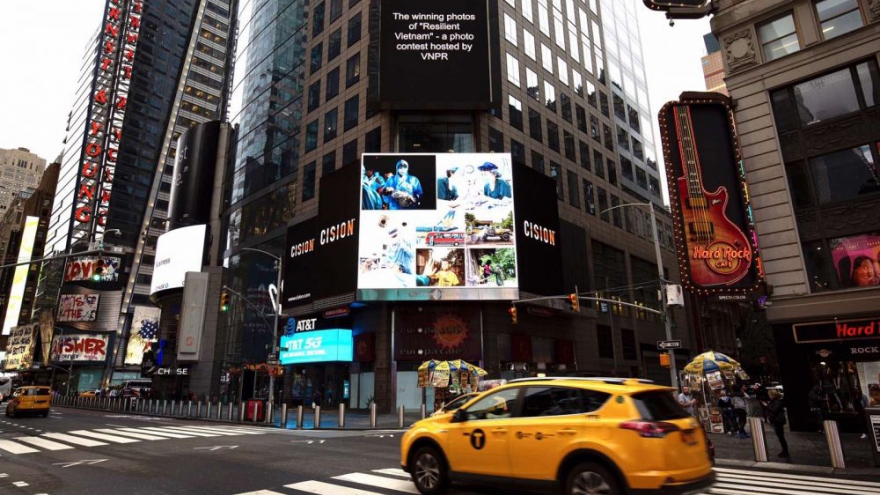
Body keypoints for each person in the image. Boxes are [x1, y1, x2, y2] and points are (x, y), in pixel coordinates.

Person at [764, 389, 789, 458]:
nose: (768, 396)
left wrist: (766, 405)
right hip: (776, 420)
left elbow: (773, 410)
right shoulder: (775, 401)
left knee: (781, 437)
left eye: (769, 394)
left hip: (778, 421)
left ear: (772, 395)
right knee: (780, 437)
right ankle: (784, 451)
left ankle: (785, 452)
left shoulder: (777, 401)